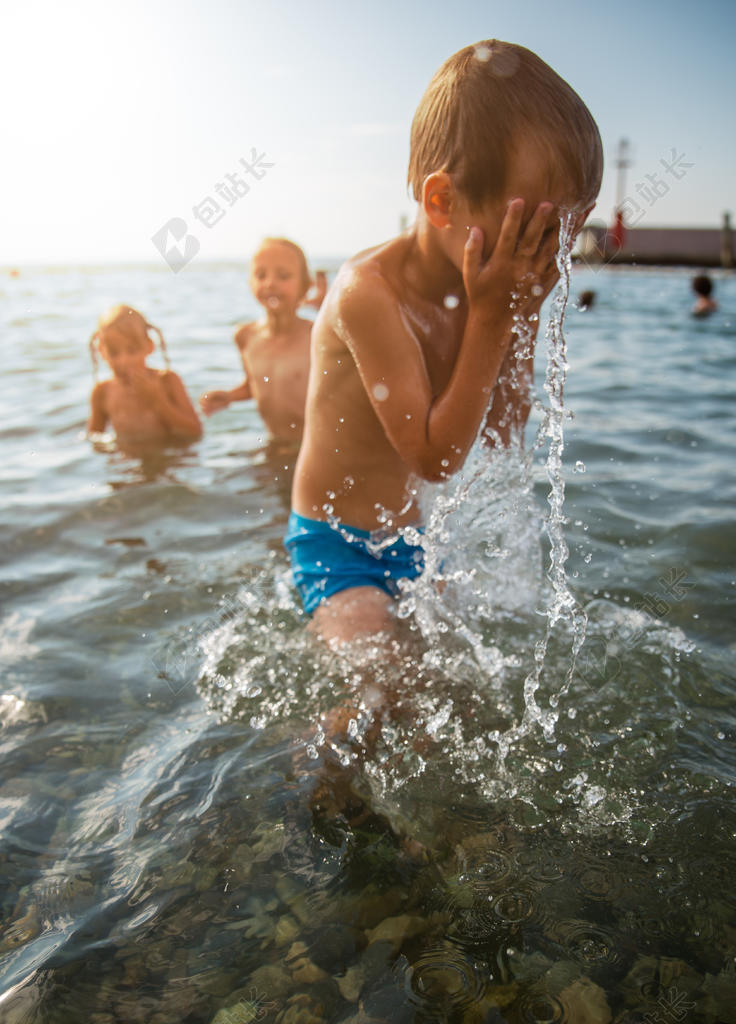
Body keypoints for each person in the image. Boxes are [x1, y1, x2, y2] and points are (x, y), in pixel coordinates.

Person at [286, 39, 602, 646]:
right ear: (441, 202)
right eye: (525, 235)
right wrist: (490, 319)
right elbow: (432, 457)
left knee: (456, 684)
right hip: (336, 544)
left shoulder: (481, 291)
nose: (536, 259)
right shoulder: (368, 293)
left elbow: (502, 431)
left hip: (412, 539)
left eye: (556, 239)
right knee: (375, 690)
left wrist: (520, 318)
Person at [199, 238, 323, 443]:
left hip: (314, 450)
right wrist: (230, 396)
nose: (270, 283)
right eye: (261, 275)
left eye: (283, 276)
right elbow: (258, 385)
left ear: (305, 286)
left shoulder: (316, 337)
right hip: (273, 444)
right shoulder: (246, 336)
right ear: (250, 283)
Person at [88, 305, 202, 442]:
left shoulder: (167, 381)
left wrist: (157, 400)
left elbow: (195, 431)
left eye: (132, 351)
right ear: (101, 351)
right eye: (114, 353)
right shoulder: (102, 393)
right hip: (127, 461)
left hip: (171, 460)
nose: (123, 361)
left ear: (149, 346)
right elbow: (94, 437)